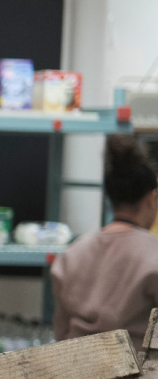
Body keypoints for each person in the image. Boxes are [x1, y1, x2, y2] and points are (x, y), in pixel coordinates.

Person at [53, 134, 158, 351]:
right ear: (151, 199)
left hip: (77, 376)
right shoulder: (153, 255)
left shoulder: (71, 255)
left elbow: (61, 332)